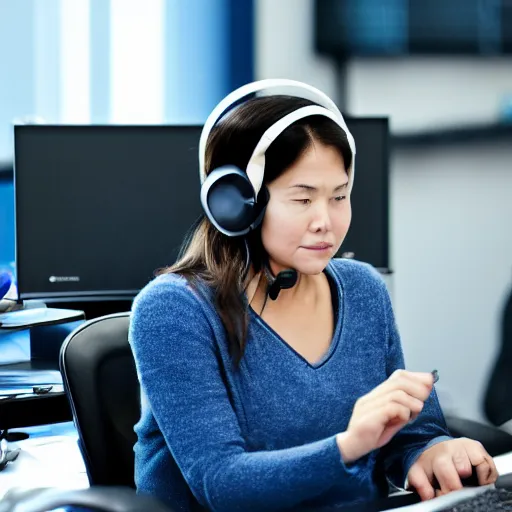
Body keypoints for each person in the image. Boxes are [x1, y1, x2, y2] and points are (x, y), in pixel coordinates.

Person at [128, 79, 498, 512]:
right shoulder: (174, 311)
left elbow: (408, 438)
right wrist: (348, 445)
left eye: (339, 196)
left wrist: (431, 452)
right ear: (238, 204)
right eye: (302, 199)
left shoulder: (362, 290)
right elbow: (220, 484)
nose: (326, 221)